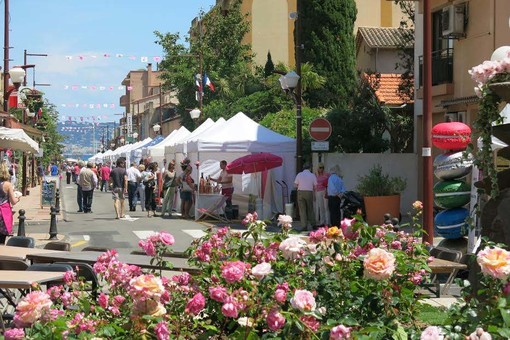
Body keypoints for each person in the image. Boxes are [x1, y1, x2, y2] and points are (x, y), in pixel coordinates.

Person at [0, 162, 21, 244]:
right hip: (3, 213)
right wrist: (18, 197)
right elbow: (13, 201)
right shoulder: (7, 185)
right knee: (1, 239)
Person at [294, 163, 317, 231]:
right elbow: (315, 186)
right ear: (310, 168)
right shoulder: (312, 175)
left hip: (300, 192)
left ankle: (304, 226)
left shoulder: (299, 174)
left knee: (302, 210)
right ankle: (313, 224)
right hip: (309, 192)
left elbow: (295, 185)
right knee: (310, 209)